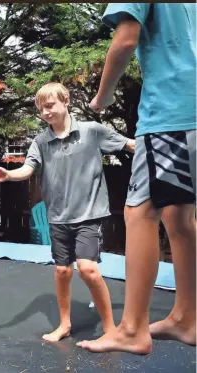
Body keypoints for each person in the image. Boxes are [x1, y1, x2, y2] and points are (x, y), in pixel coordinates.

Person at [77, 3, 196, 354]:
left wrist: (103, 96)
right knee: (179, 216)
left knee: (140, 213)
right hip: (192, 114)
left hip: (170, 115)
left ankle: (131, 329)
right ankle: (187, 318)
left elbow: (126, 40)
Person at [0, 82, 135, 342]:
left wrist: (165, 145)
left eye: (50, 105)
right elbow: (28, 169)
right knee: (62, 271)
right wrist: (9, 174)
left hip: (89, 214)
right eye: (41, 109)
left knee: (88, 269)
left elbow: (130, 145)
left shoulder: (92, 132)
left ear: (65, 101)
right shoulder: (42, 141)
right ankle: (65, 324)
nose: (45, 112)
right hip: (58, 216)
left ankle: (111, 329)